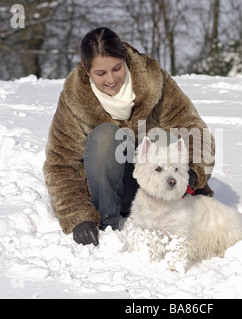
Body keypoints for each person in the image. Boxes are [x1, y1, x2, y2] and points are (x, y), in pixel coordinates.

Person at [43, 27, 215, 246]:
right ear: (86, 70)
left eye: (116, 68)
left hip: (153, 189)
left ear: (124, 58)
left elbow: (194, 129)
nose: (111, 79)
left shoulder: (153, 81)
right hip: (105, 190)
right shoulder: (74, 98)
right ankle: (109, 222)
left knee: (159, 138)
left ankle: (169, 215)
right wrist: (78, 216)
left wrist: (191, 171)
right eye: (101, 73)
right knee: (106, 135)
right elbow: (60, 163)